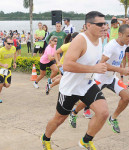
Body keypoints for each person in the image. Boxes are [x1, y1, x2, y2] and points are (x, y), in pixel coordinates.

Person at [41, 11, 108, 150]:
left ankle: (86, 141)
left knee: (103, 112)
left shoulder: (100, 39)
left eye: (105, 23)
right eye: (100, 24)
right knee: (59, 119)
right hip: (70, 88)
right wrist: (93, 69)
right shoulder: (81, 40)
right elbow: (67, 65)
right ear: (88, 25)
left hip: (87, 85)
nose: (104, 26)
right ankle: (46, 138)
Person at [69, 25, 129, 133]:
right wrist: (121, 70)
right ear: (120, 34)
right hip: (100, 78)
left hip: (111, 78)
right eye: (128, 36)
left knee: (127, 97)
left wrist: (124, 68)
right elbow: (102, 64)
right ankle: (74, 113)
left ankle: (113, 118)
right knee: (86, 102)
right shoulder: (111, 46)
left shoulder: (124, 44)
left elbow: (116, 60)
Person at [0, 36, 17, 103]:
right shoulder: (1, 50)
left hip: (8, 68)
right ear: (4, 43)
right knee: (1, 84)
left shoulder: (13, 48)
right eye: (8, 43)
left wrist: (14, 62)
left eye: (11, 43)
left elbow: (15, 53)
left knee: (7, 85)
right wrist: (3, 65)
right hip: (0, 68)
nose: (10, 45)